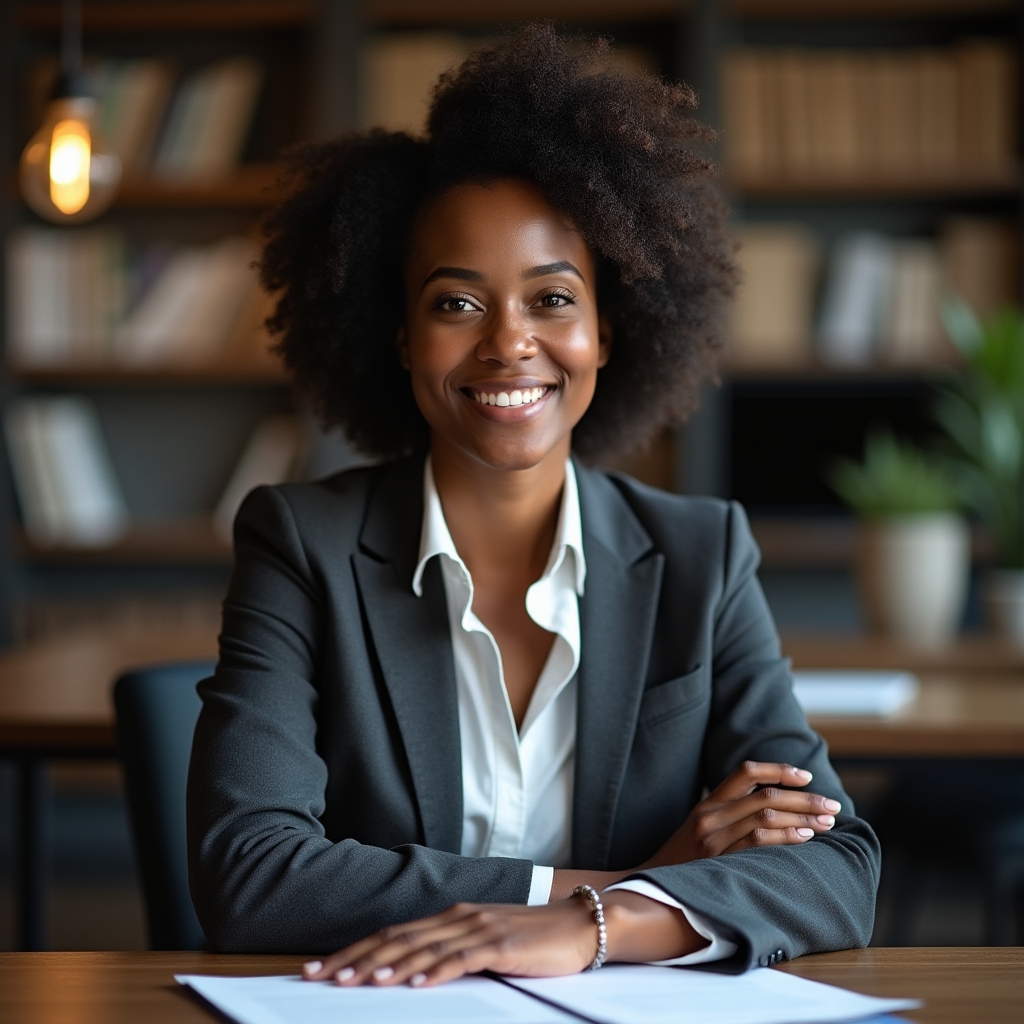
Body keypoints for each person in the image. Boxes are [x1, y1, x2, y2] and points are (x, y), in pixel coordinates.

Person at [186, 25, 879, 987]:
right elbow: (252, 875)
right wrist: (603, 896)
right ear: (400, 336)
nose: (509, 344)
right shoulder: (304, 543)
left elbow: (838, 870)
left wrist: (600, 926)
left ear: (607, 331)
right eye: (456, 303)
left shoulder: (701, 555)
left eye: (552, 299)